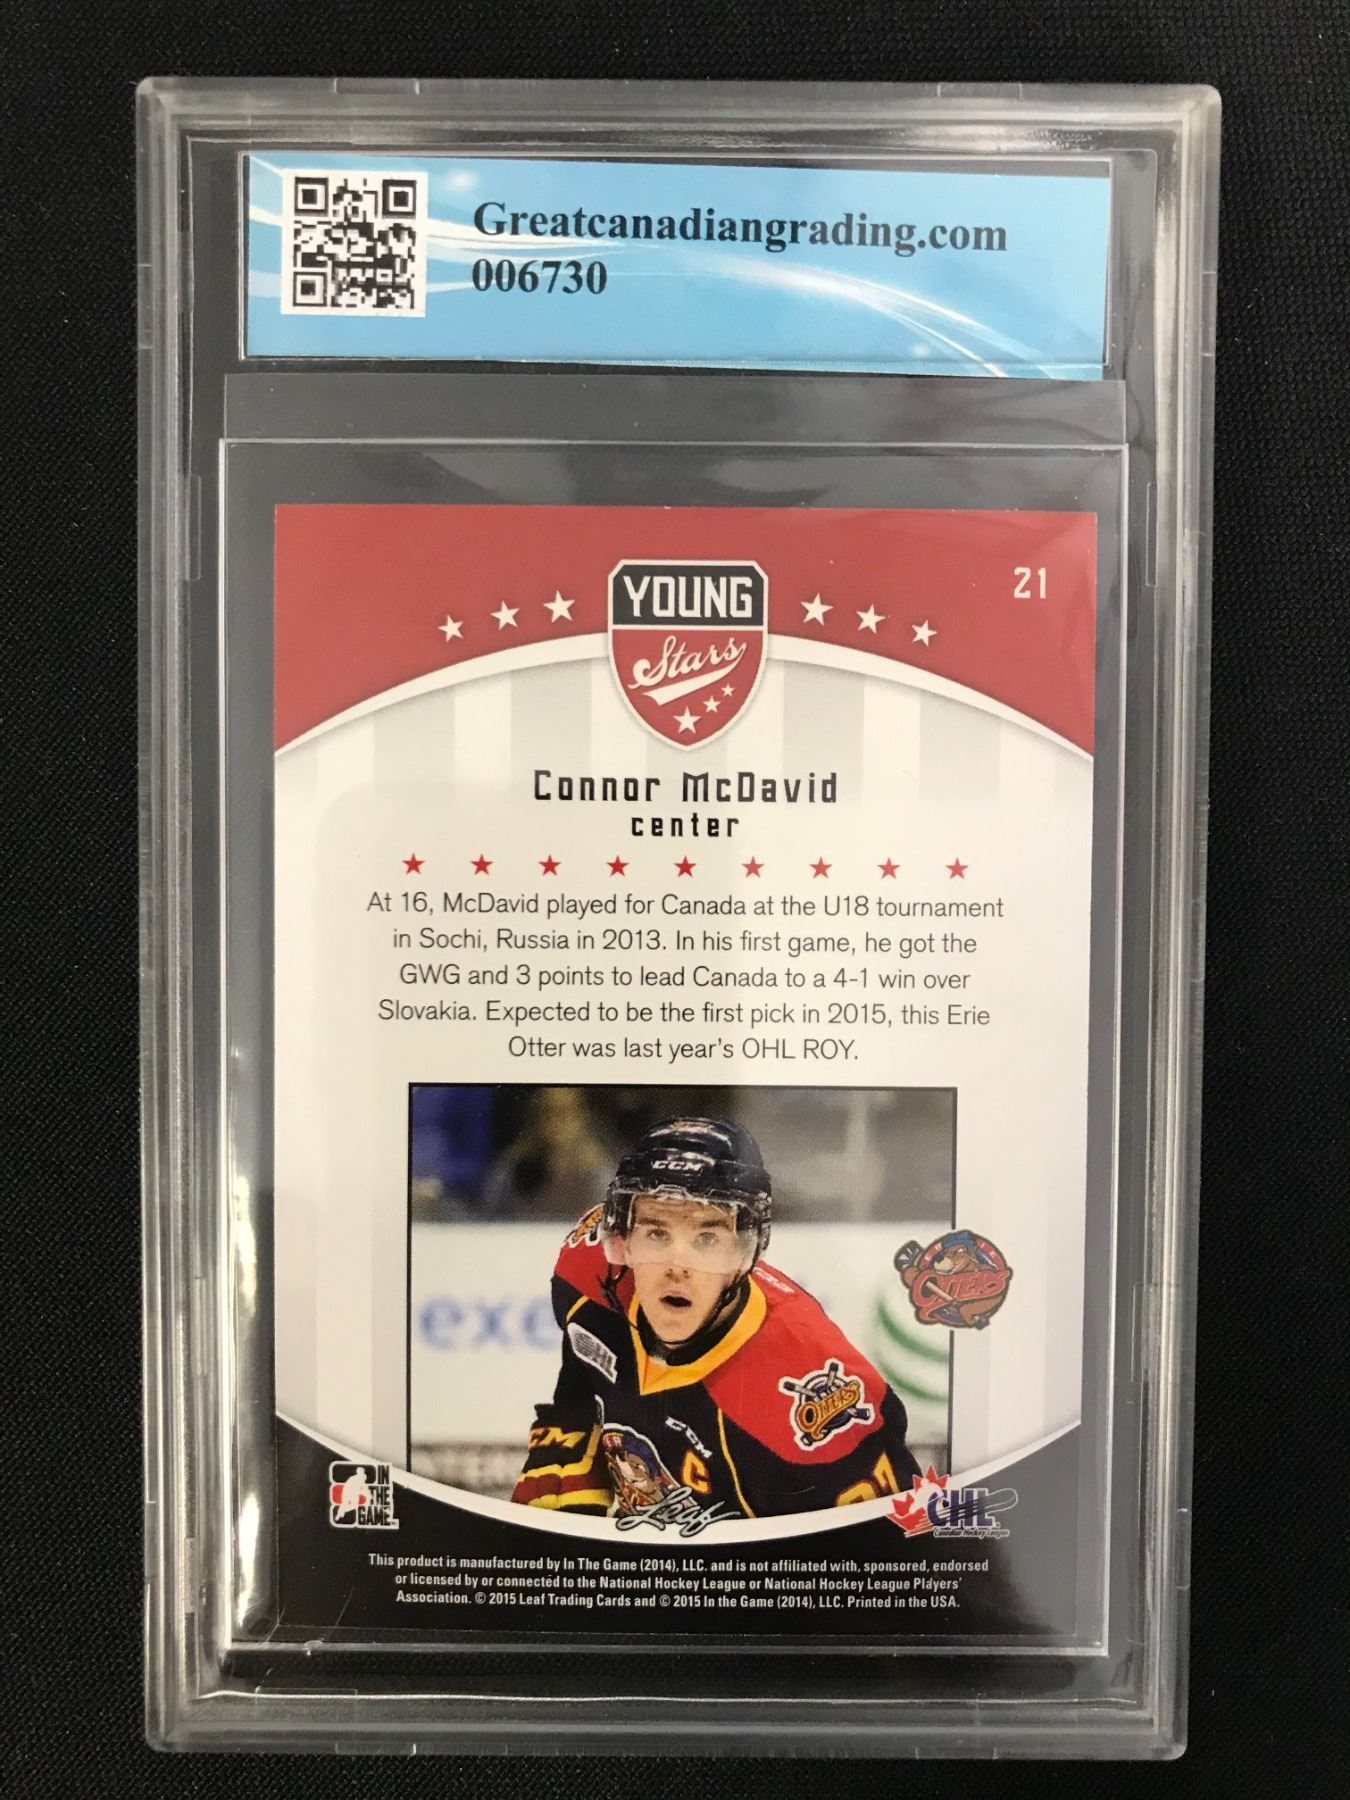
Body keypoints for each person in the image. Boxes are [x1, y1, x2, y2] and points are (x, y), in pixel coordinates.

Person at [512, 1117, 920, 1522]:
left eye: (706, 1239)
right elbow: (581, 1382)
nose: (677, 1266)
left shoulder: (806, 1410)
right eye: (656, 1233)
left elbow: (901, 1543)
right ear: (624, 1240)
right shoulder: (587, 1274)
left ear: (743, 1253)